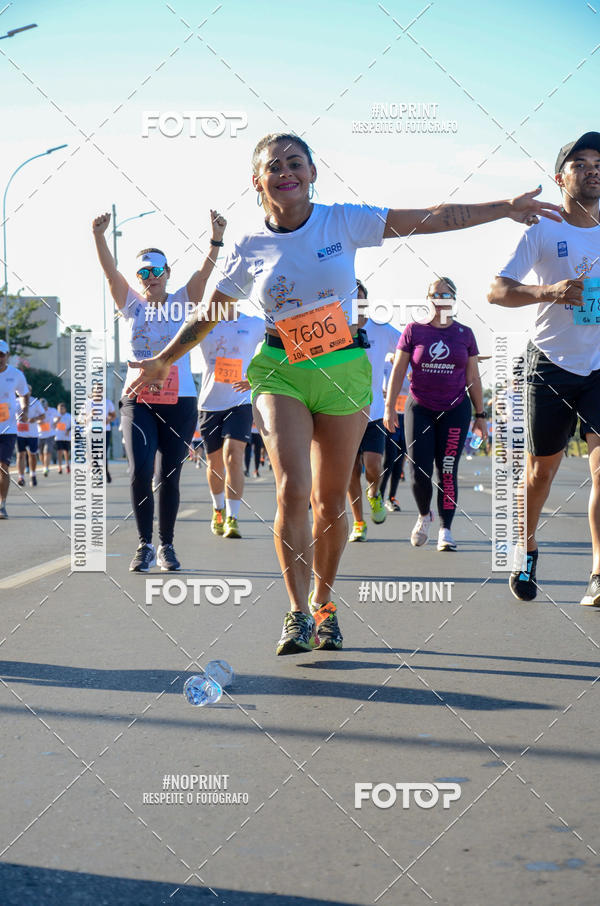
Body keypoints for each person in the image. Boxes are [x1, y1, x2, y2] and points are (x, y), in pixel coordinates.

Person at [125, 131, 561, 653]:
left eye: (295, 163)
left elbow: (429, 218)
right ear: (257, 181)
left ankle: (323, 604)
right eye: (273, 166)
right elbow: (210, 311)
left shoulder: (343, 220)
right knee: (292, 489)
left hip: (343, 369)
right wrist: (163, 358)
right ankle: (296, 612)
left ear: (312, 173)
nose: (285, 172)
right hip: (280, 368)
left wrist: (504, 208)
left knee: (329, 499)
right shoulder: (249, 244)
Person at [488, 131, 600, 606]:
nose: (593, 169)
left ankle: (598, 573)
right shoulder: (543, 230)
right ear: (560, 178)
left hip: (599, 367)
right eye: (581, 163)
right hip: (551, 363)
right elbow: (497, 290)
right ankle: (527, 547)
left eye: (599, 163)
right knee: (540, 473)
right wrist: (548, 292)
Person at [93, 207, 227, 571]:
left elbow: (204, 274)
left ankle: (166, 544)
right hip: (138, 400)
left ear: (167, 273)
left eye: (156, 271)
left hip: (179, 400)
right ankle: (144, 545)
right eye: (143, 273)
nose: (150, 278)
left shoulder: (183, 300)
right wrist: (99, 237)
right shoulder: (131, 305)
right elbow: (110, 272)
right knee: (140, 470)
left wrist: (215, 239)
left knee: (169, 474)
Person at [384, 277, 487, 551]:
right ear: (428, 299)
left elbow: (473, 377)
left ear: (454, 299)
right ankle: (424, 515)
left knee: (448, 470)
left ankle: (445, 529)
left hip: (455, 410)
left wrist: (481, 415)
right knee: (418, 470)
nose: (439, 299)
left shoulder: (465, 334)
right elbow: (398, 371)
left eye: (445, 295)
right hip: (420, 408)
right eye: (434, 295)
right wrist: (389, 407)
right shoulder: (414, 330)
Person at [196, 314, 265, 538]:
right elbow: (177, 343)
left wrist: (259, 377)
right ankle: (218, 509)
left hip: (240, 401)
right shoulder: (203, 321)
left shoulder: (254, 323)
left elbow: (278, 342)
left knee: (233, 455)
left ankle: (232, 518)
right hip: (209, 404)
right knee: (215, 463)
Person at [347, 279, 400, 542]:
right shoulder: (334, 329)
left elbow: (408, 347)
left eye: (360, 298)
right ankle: (358, 522)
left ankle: (375, 492)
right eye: (351, 297)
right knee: (350, 471)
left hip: (374, 411)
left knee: (373, 465)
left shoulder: (380, 329)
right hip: (343, 413)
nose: (356, 302)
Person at [0, 340, 29, 518]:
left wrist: (25, 410)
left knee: (3, 466)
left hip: (8, 429)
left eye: (1, 355)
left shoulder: (16, 374)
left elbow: (24, 393)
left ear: (7, 356)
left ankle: (2, 504)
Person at [380, 353, 409, 511]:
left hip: (407, 417)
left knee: (400, 459)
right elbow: (380, 388)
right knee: (389, 459)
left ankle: (391, 498)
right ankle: (379, 495)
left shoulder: (411, 365)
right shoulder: (386, 366)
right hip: (390, 416)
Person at [16, 386, 45, 487]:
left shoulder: (35, 402)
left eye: (28, 391)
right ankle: (21, 477)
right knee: (20, 454)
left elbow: (43, 415)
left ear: (31, 392)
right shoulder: (15, 401)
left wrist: (35, 419)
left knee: (32, 454)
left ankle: (33, 475)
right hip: (19, 433)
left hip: (32, 434)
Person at [38, 398, 58, 476]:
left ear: (47, 405)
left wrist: (55, 423)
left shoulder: (52, 410)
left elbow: (59, 416)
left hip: (50, 434)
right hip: (39, 435)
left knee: (47, 451)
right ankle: (44, 466)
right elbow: (32, 420)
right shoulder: (37, 411)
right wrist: (38, 422)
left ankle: (46, 467)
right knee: (41, 453)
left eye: (45, 407)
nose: (44, 409)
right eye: (42, 407)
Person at [53, 402, 71, 473]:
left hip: (66, 437)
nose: (60, 410)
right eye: (59, 409)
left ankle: (67, 465)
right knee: (59, 451)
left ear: (65, 409)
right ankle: (59, 467)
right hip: (58, 437)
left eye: (62, 409)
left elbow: (73, 425)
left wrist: (68, 430)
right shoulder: (55, 417)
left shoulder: (69, 416)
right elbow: (52, 425)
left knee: (66, 452)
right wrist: (57, 421)